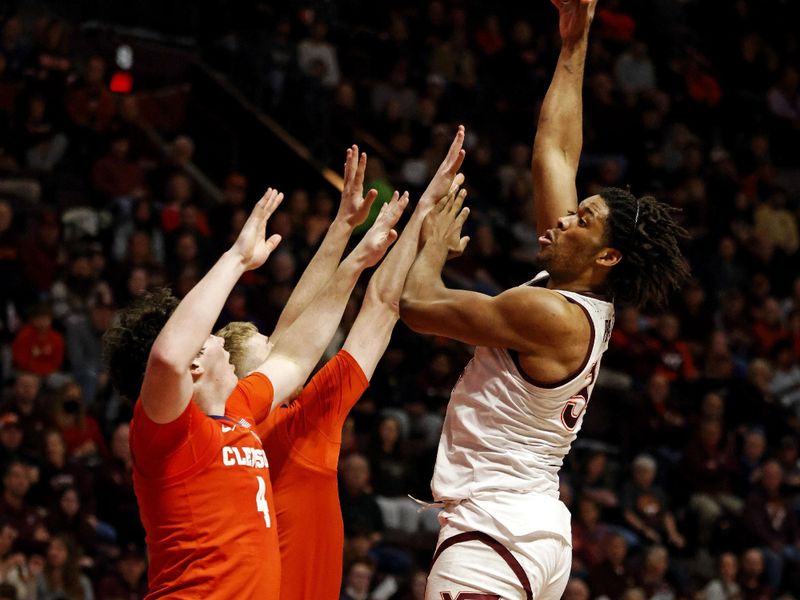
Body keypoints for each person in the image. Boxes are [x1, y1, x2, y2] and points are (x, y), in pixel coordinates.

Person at [399, 1, 689, 598]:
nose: (561, 221)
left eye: (581, 220)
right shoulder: (572, 294)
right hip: (531, 526)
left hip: (494, 532)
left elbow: (416, 308)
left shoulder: (548, 315)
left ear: (607, 255)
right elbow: (555, 153)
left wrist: (431, 242)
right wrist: (574, 43)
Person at [103, 187, 403, 599]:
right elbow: (168, 357)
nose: (223, 343)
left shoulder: (239, 409)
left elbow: (296, 355)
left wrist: (355, 264)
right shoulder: (166, 437)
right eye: (208, 339)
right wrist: (236, 259)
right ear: (193, 365)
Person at [218, 135, 466, 600]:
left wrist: (342, 227)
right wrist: (422, 215)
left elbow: (296, 327)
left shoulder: (227, 430)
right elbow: (383, 304)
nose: (279, 344)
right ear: (237, 375)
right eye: (264, 345)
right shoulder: (303, 424)